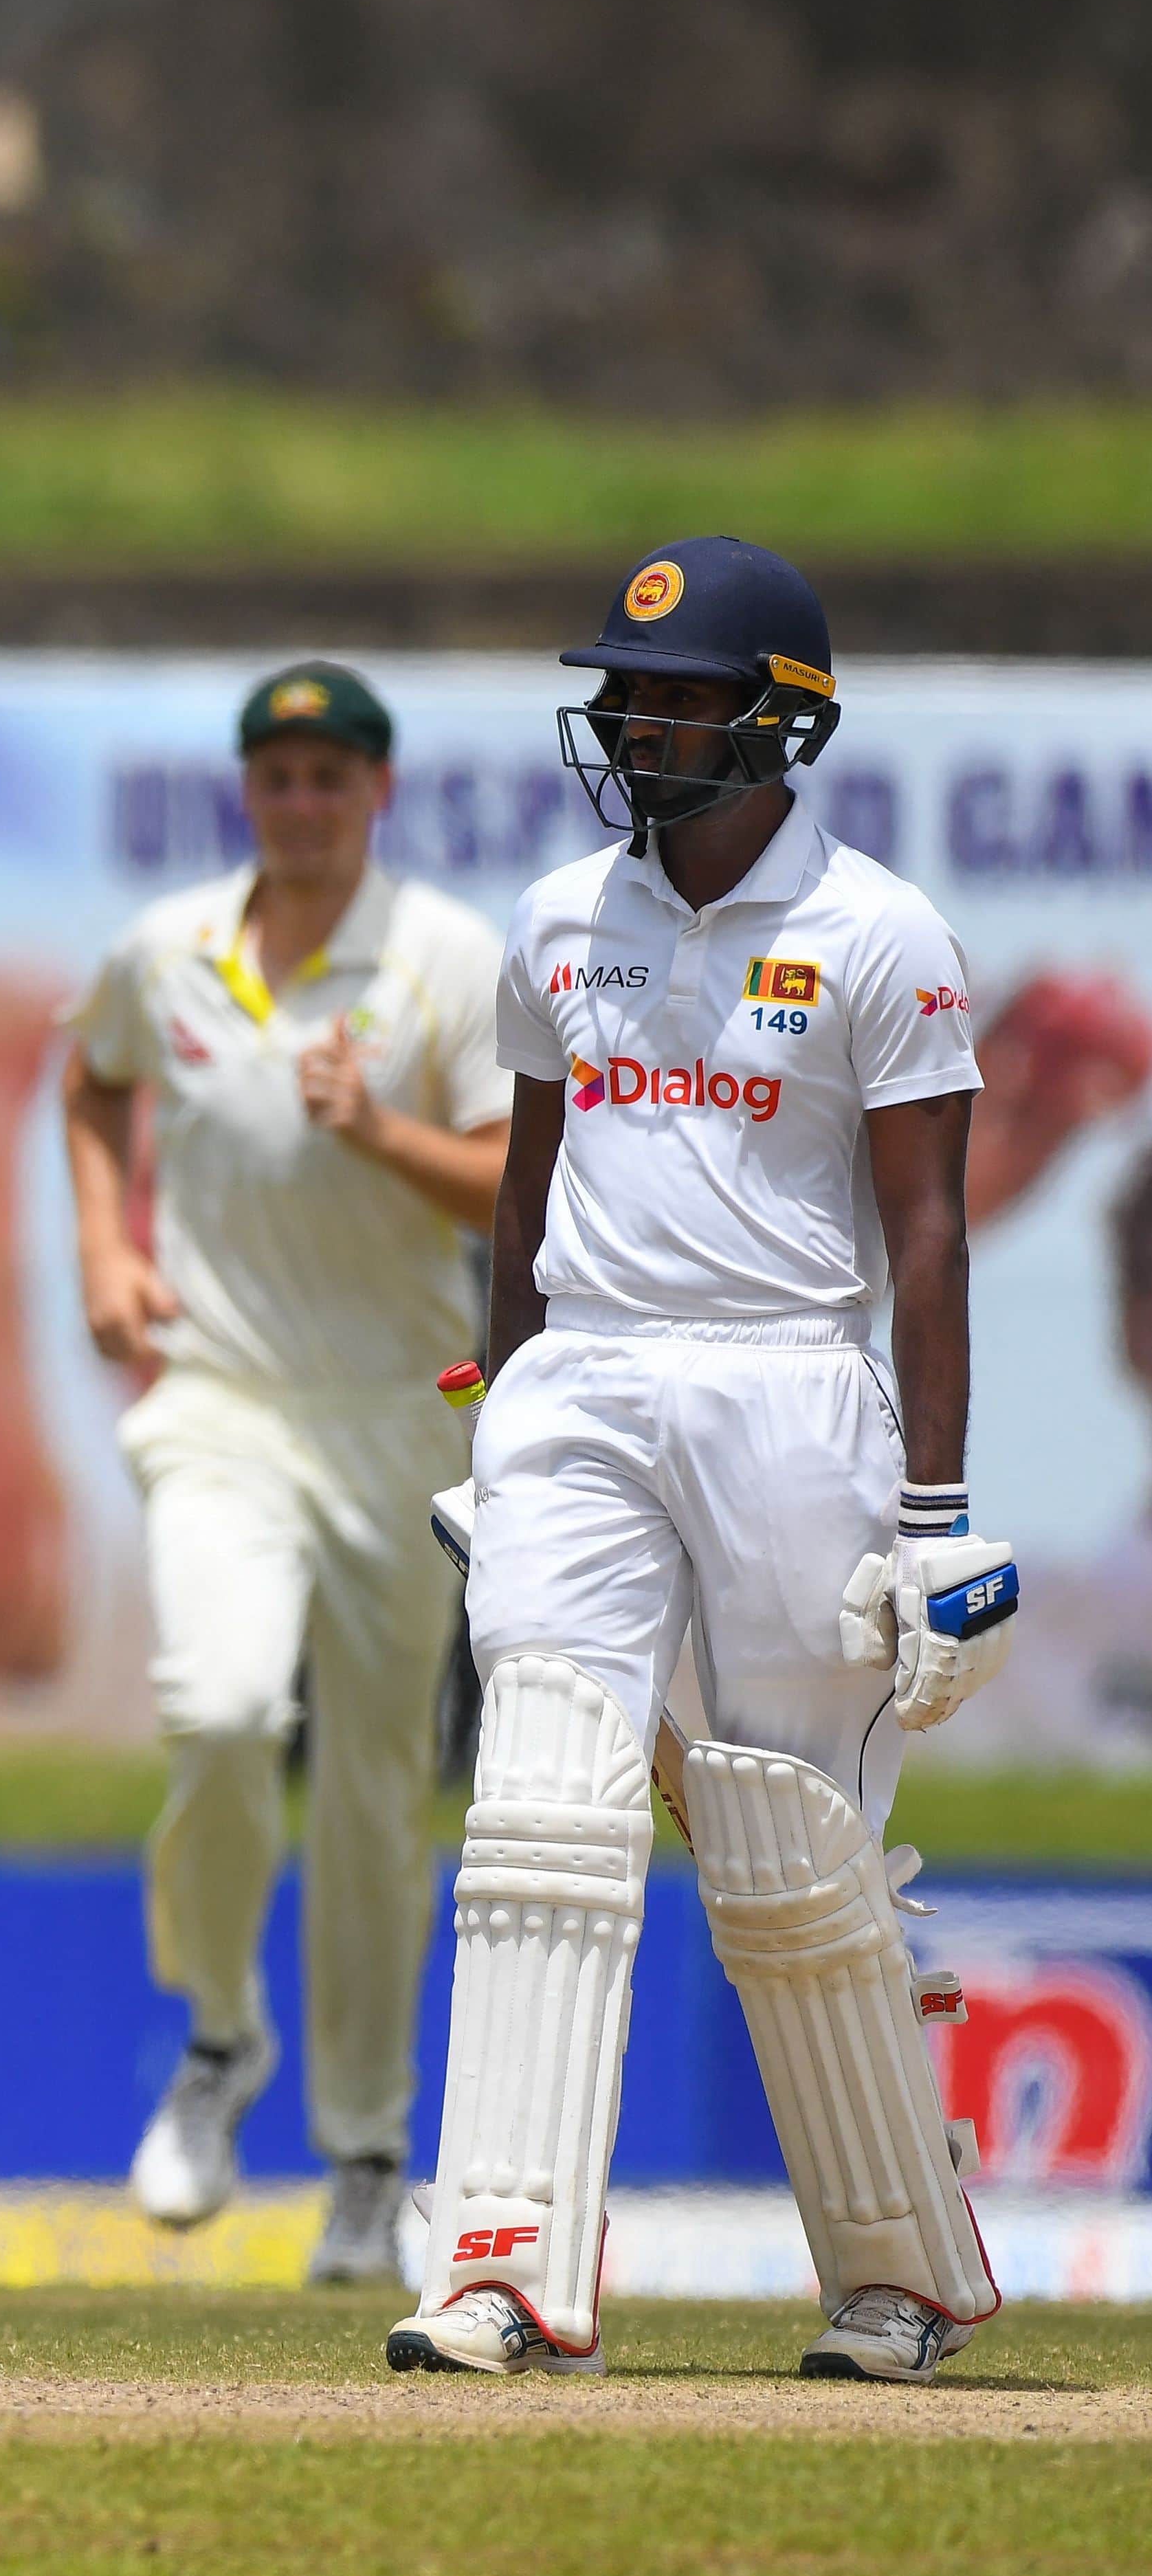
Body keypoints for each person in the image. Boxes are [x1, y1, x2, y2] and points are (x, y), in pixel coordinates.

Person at [395, 537, 1010, 2384]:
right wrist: (504, 1413)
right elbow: (527, 1182)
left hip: (790, 1395)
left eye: (680, 694)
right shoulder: (558, 916)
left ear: (782, 721)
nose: (641, 722)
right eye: (630, 690)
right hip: (584, 1375)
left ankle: (900, 2272)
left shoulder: (883, 935)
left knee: (791, 1847)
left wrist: (937, 1517)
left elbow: (928, 1234)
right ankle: (503, 2262)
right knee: (544, 1797)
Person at [61, 663, 509, 2280]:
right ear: (247, 789)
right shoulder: (167, 948)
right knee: (225, 1707)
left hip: (402, 1411)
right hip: (224, 1399)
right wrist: (108, 1255)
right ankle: (221, 2034)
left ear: (378, 791)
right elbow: (95, 1082)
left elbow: (517, 1189)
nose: (303, 801)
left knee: (381, 1800)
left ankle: (371, 2159)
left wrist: (384, 1130)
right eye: (279, 775)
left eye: (332, 775)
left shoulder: (447, 959)